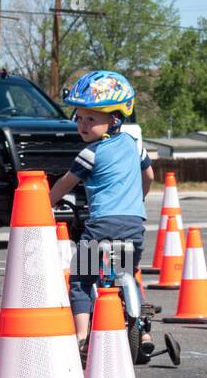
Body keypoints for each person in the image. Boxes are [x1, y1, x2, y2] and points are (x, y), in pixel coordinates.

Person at [47, 70, 154, 354]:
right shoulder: (134, 146)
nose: (82, 125)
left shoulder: (90, 154)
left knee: (81, 279)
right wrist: (138, 198)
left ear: (114, 119)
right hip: (133, 226)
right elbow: (150, 176)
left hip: (101, 227)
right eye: (79, 118)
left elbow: (65, 183)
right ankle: (143, 334)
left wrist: (45, 205)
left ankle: (81, 337)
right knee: (128, 273)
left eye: (91, 119)